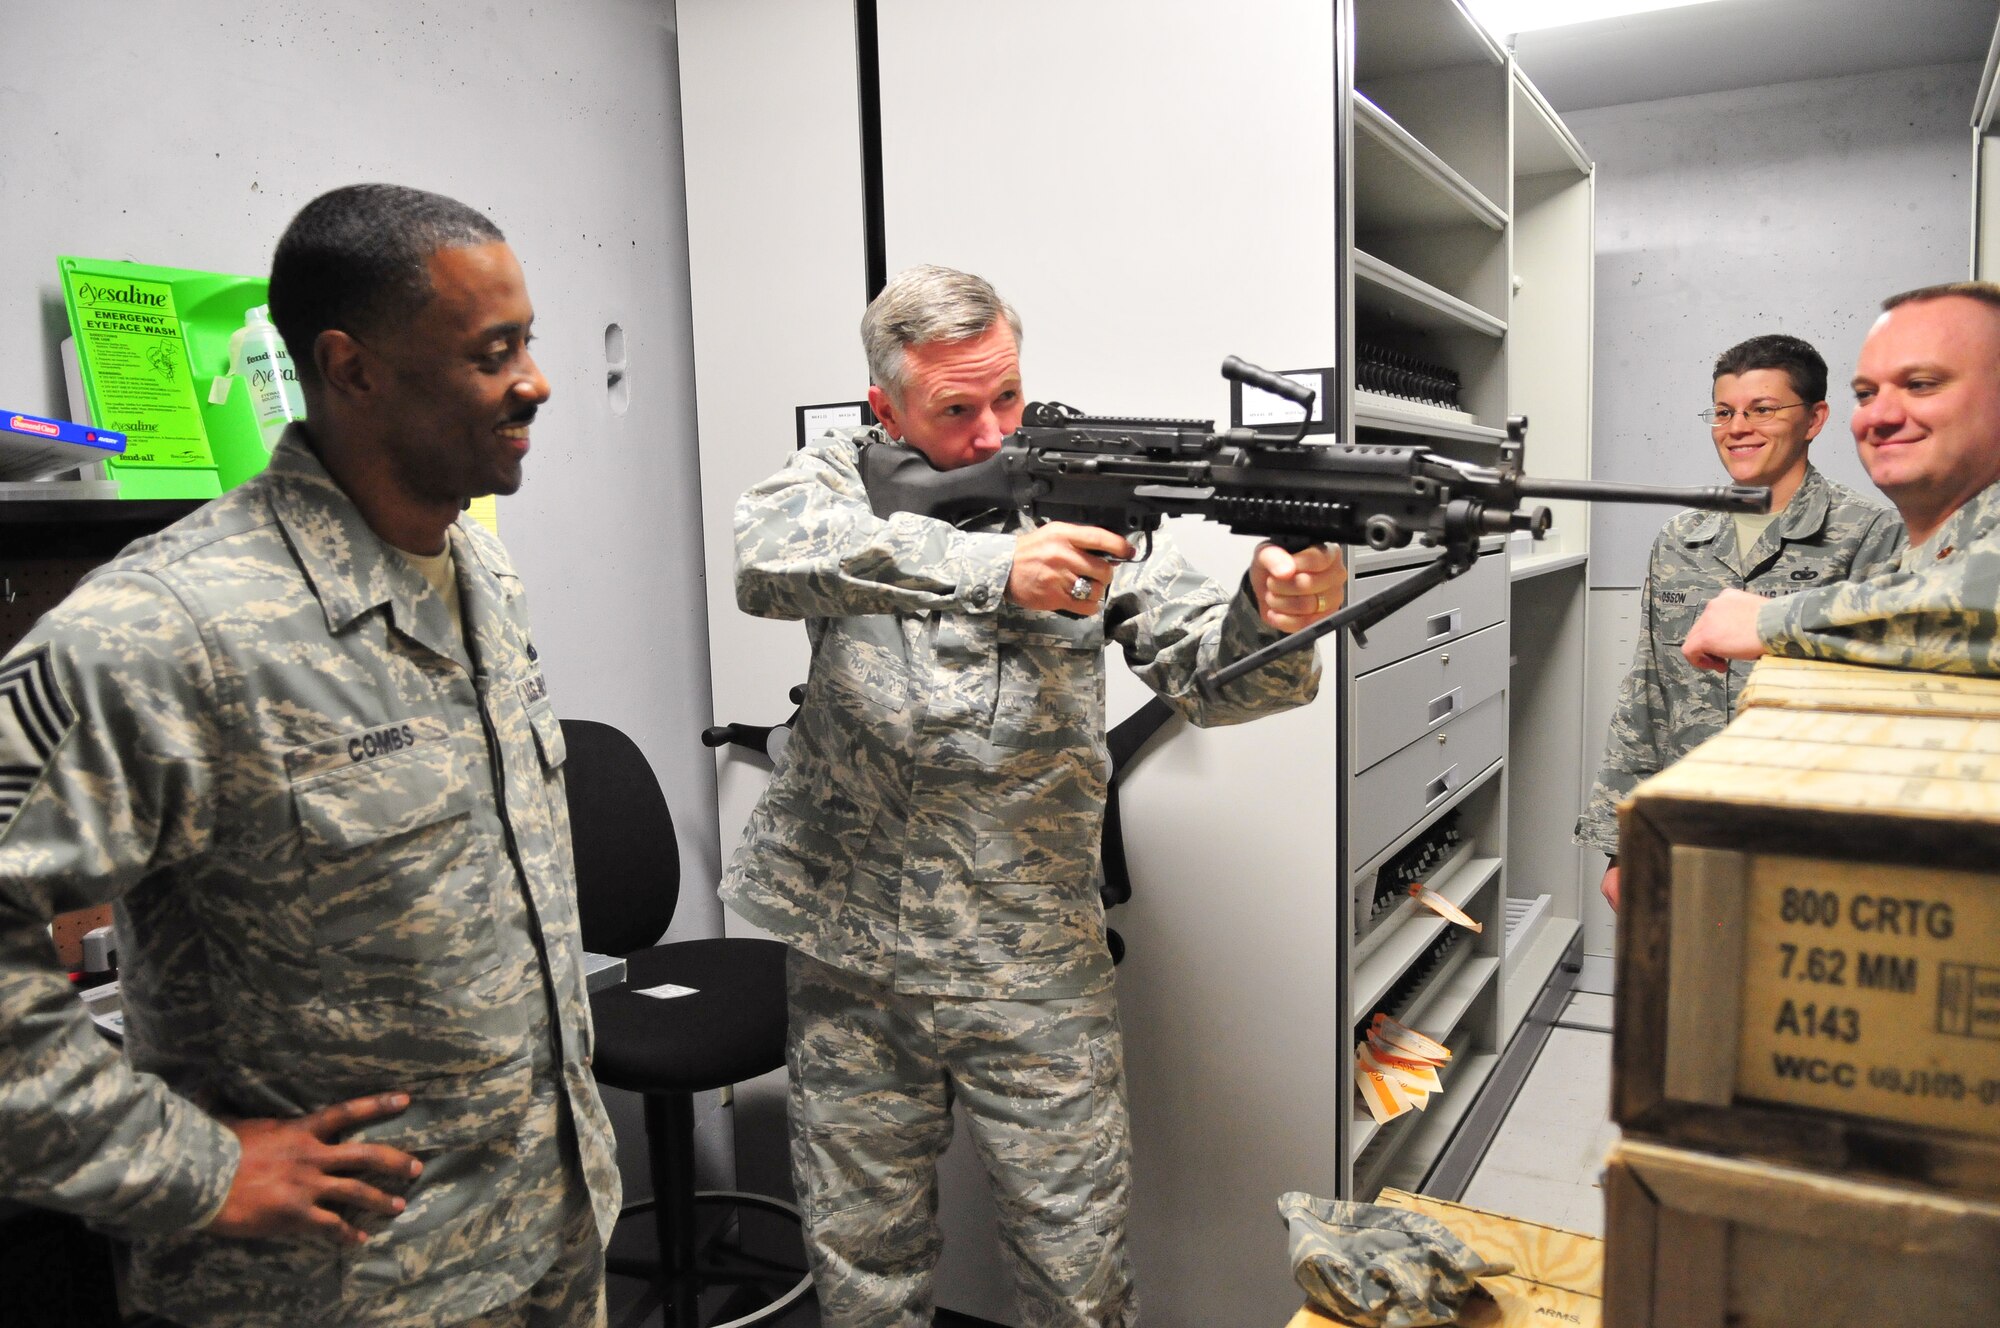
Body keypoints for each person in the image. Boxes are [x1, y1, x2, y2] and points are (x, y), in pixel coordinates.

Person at [0, 185, 618, 1327]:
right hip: (340, 1287)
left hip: (543, 1237)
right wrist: (184, 1163)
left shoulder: (475, 568)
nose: (535, 379)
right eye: (494, 352)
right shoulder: (168, 625)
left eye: (528, 341)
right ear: (353, 368)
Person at [721, 264, 1345, 1327]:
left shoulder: (1078, 489)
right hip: (850, 955)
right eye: (953, 408)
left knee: (1077, 1277)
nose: (988, 431)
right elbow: (765, 558)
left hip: (1032, 969)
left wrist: (1272, 614)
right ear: (885, 407)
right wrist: (985, 568)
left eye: (1004, 396)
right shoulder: (830, 479)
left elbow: (1212, 674)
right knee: (861, 1273)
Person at [1576, 334, 1903, 909]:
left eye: (1763, 410)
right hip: (1691, 824)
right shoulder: (1682, 539)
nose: (1738, 427)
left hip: (1809, 833)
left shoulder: (1869, 534)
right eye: (1724, 412)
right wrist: (1621, 845)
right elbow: (1646, 695)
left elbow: (1881, 703)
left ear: (1814, 419)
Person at [1684, 283, 2000, 677]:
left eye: (1921, 385)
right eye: (1866, 394)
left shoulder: (1874, 533)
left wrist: (1771, 620)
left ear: (1814, 419)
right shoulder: (1934, 552)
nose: (1879, 415)